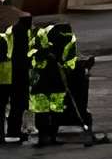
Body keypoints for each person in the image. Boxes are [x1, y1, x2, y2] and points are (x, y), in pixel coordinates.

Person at [28, 18, 76, 148]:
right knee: (53, 109)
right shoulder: (67, 39)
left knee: (46, 109)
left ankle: (45, 136)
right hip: (51, 79)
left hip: (45, 80)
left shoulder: (41, 36)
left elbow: (31, 56)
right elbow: (70, 59)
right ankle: (49, 136)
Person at [3, 12, 30, 143]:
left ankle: (9, 131)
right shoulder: (23, 32)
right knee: (17, 103)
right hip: (18, 72)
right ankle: (14, 130)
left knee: (8, 103)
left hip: (7, 70)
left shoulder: (11, 31)